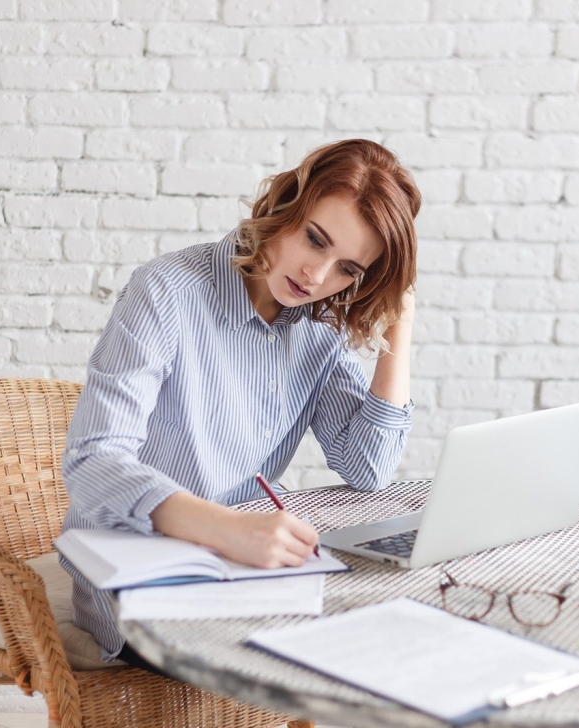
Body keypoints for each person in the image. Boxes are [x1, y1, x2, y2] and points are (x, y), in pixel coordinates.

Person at [61, 138, 421, 665]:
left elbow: (370, 467)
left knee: (391, 630)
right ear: (283, 210)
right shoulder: (166, 292)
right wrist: (231, 531)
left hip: (247, 573)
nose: (317, 277)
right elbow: (92, 463)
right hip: (140, 578)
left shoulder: (315, 329)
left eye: (349, 269)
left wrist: (401, 321)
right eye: (315, 239)